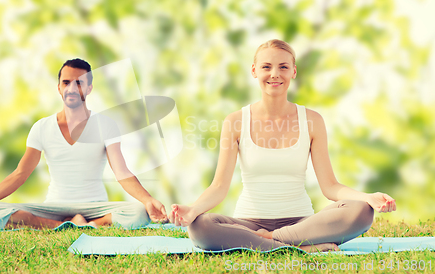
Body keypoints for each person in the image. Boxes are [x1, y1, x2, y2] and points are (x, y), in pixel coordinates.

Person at [169, 39, 396, 252]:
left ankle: (271, 243)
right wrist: (193, 210)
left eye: (283, 67)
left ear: (293, 72)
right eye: (266, 67)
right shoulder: (235, 121)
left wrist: (366, 197)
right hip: (248, 223)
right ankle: (299, 246)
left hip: (302, 222)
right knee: (200, 227)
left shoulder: (313, 121)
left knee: (361, 211)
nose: (275, 74)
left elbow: (330, 186)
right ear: (254, 71)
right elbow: (218, 187)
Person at [0, 58, 168, 229]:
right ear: (59, 88)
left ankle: (85, 223)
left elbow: (122, 173)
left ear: (89, 88)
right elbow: (20, 174)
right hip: (54, 206)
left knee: (140, 212)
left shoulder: (106, 125)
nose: (72, 88)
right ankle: (67, 224)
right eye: (66, 82)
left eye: (79, 83)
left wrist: (148, 200)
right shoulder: (41, 127)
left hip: (95, 206)